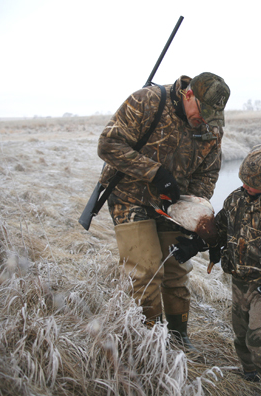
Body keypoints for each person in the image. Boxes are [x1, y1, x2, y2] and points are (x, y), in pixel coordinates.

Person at [97, 72, 230, 351]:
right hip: (130, 197)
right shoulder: (147, 101)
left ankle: (179, 339)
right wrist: (154, 173)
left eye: (212, 116)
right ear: (188, 94)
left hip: (173, 204)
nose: (204, 121)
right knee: (145, 270)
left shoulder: (211, 125)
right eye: (201, 113)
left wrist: (190, 212)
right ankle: (150, 342)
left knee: (176, 270)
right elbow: (108, 144)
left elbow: (207, 174)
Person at [173, 144, 261, 396]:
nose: (245, 186)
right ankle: (250, 375)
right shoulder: (236, 199)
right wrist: (194, 245)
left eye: (252, 183)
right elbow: (218, 230)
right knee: (241, 336)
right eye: (244, 180)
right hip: (239, 282)